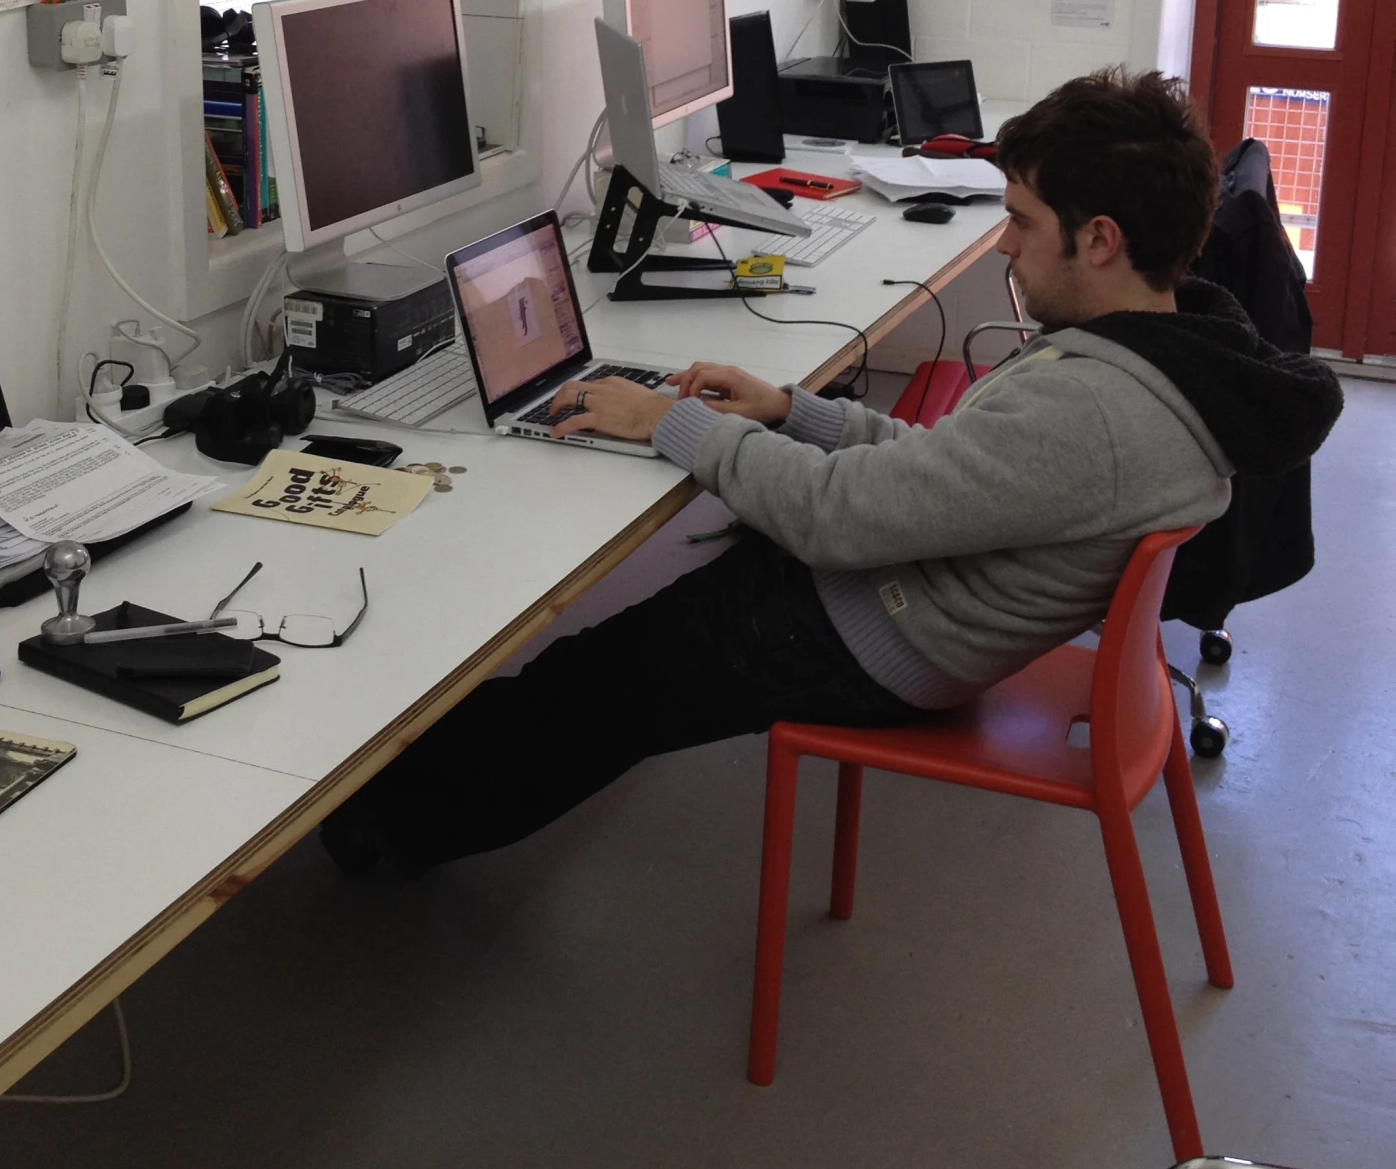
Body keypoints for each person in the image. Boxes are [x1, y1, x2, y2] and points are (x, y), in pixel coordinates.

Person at [321, 69, 1342, 878]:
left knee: (600, 683)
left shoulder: (1094, 407)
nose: (1009, 248)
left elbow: (839, 523)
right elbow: (953, 474)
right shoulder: (1169, 352)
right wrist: (791, 409)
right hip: (918, 594)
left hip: (887, 634)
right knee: (608, 655)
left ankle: (378, 825)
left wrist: (672, 422)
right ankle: (409, 770)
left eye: (1024, 222)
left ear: (1102, 239)